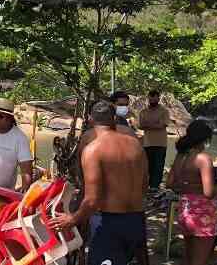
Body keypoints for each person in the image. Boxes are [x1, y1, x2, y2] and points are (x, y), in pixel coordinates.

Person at [48, 101, 148, 265]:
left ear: (90, 120)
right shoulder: (135, 144)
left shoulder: (93, 149)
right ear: (114, 119)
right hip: (136, 220)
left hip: (109, 224)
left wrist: (72, 219)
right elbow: (144, 185)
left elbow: (92, 200)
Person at [165, 120, 217, 265]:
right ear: (205, 139)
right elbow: (208, 192)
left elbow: (169, 183)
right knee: (200, 260)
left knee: (188, 258)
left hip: (185, 210)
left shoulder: (180, 156)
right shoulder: (203, 158)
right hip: (202, 213)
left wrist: (187, 185)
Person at [139, 90, 170, 193]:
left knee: (159, 165)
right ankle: (147, 186)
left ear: (158, 98)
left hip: (161, 143)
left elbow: (163, 125)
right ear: (148, 98)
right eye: (150, 97)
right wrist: (156, 123)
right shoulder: (143, 112)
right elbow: (141, 125)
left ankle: (155, 187)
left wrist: (149, 124)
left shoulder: (164, 111)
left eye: (155, 97)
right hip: (147, 143)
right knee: (147, 165)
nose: (152, 99)